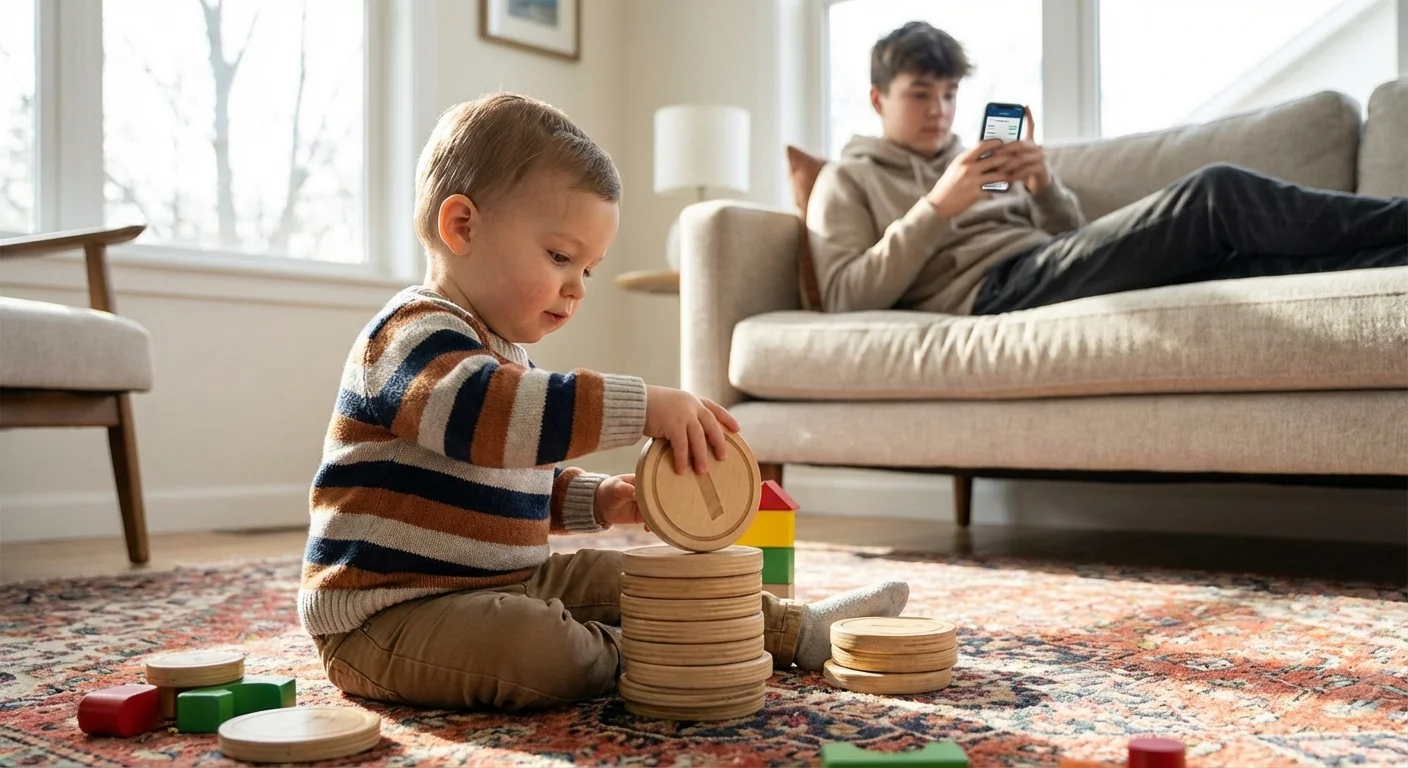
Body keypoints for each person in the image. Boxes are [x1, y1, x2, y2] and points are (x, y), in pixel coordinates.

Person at [297, 92, 908, 711]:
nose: (575, 288)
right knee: (539, 648)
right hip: (386, 616)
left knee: (641, 576)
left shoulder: (506, 357)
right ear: (463, 227)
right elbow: (485, 419)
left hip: (508, 580)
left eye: (588, 269)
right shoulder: (412, 333)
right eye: (561, 256)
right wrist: (640, 406)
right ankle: (659, 650)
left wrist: (602, 498)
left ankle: (793, 629)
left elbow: (513, 479)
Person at [807, 21, 1407, 316]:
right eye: (920, 94)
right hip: (993, 292)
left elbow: (1066, 235)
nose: (939, 110)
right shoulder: (848, 179)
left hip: (1042, 265)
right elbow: (841, 295)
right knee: (1213, 194)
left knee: (1252, 263)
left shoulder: (972, 160)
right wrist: (936, 208)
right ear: (878, 99)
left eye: (948, 94)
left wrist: (1044, 185)